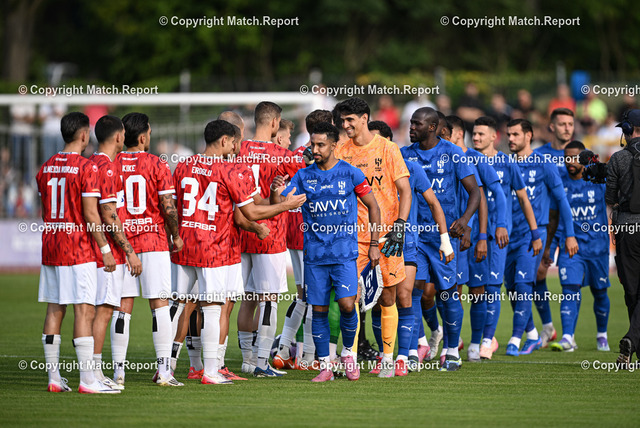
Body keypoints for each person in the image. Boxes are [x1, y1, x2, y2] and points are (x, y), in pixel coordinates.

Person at [171, 120, 305, 384]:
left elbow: (172, 207)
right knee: (217, 307)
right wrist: (284, 206)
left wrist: (174, 237)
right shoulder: (231, 169)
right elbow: (250, 211)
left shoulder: (184, 165)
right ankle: (217, 369)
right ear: (225, 140)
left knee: (180, 306)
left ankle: (169, 367)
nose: (237, 147)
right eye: (235, 142)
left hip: (185, 246)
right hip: (217, 249)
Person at [274, 122, 381, 382]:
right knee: (319, 310)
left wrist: (374, 243)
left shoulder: (351, 173)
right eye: (313, 144)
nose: (315, 149)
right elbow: (282, 203)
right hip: (315, 257)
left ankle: (348, 355)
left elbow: (374, 206)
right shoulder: (303, 176)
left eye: (321, 144)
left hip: (344, 255)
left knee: (347, 305)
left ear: (334, 145)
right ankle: (325, 366)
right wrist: (276, 193)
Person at [36, 112, 118, 393]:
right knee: (84, 310)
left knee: (54, 309)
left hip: (51, 245)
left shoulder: (45, 167)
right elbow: (91, 215)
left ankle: (54, 378)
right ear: (84, 135)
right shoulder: (87, 168)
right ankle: (87, 380)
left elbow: (45, 210)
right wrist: (105, 249)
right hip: (78, 248)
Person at [333, 97, 412, 378]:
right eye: (342, 120)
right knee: (350, 299)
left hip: (386, 236)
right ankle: (351, 358)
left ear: (364, 118)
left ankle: (388, 359)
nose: (345, 125)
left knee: (387, 297)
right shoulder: (340, 150)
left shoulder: (388, 149)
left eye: (350, 120)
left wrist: (400, 226)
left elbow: (405, 190)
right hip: (350, 238)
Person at [402, 107, 481, 371]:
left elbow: (475, 192)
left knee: (447, 293)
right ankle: (411, 351)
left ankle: (452, 350)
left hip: (443, 238)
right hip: (414, 237)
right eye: (411, 123)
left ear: (433, 127)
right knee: (413, 291)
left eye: (417, 124)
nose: (411, 127)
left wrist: (465, 221)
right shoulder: (404, 154)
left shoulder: (453, 153)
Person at [111, 112, 184, 387]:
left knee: (122, 307)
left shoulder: (112, 164)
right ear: (142, 137)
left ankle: (118, 372)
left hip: (123, 244)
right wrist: (176, 235)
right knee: (159, 305)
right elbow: (168, 207)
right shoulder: (157, 164)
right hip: (153, 241)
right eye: (150, 133)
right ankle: (164, 371)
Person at [236, 102, 303, 377]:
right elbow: (308, 170)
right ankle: (263, 362)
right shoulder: (282, 154)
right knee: (269, 300)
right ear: (275, 122)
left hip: (241, 231)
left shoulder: (238, 149)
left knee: (247, 298)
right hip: (270, 233)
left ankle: (246, 359)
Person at [504, 118, 578, 357]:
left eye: (515, 134)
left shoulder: (544, 164)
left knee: (524, 284)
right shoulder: (504, 163)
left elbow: (562, 202)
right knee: (511, 288)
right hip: (507, 235)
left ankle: (515, 338)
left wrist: (570, 235)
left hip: (533, 234)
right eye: (508, 134)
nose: (510, 139)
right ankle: (533, 334)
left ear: (528, 136)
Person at [472, 117, 542, 360]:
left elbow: (523, 198)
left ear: (494, 137)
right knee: (474, 290)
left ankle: (488, 340)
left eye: (481, 134)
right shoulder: (466, 160)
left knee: (494, 287)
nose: (476, 138)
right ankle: (472, 340)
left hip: (499, 237)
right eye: (474, 133)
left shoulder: (507, 163)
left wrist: (535, 233)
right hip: (471, 236)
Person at [273, 110, 333, 371]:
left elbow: (279, 191)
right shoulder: (321, 158)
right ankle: (307, 356)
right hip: (311, 233)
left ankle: (284, 349)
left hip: (293, 231)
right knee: (314, 297)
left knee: (303, 296)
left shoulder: (293, 155)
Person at [88, 115, 142, 390]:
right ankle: (95, 373)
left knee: (97, 310)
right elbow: (109, 216)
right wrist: (128, 251)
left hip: (93, 250)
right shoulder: (107, 168)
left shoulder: (91, 163)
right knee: (104, 311)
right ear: (119, 136)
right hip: (106, 254)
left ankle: (94, 372)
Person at [453, 115, 509, 362]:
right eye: (474, 134)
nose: (476, 138)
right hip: (451, 237)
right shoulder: (442, 158)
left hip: (476, 237)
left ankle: (477, 342)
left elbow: (494, 194)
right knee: (450, 291)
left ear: (457, 134)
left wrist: (491, 231)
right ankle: (451, 339)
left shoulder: (477, 159)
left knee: (477, 291)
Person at [548, 141, 610, 352]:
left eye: (575, 157)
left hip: (597, 247)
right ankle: (568, 337)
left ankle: (602, 335)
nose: (570, 162)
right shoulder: (560, 184)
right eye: (567, 157)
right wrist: (550, 249)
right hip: (571, 247)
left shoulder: (598, 180)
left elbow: (617, 196)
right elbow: (554, 219)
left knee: (600, 292)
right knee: (569, 289)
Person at [534, 108, 576, 347]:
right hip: (547, 224)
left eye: (570, 123)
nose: (567, 128)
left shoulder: (582, 155)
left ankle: (575, 334)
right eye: (562, 124)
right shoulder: (539, 155)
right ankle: (548, 326)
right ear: (552, 127)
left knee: (572, 279)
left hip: (574, 226)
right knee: (538, 274)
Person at [605, 109, 640, 367]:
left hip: (627, 228)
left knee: (632, 291)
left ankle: (633, 342)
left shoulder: (617, 158)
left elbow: (610, 199)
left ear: (627, 131)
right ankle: (632, 340)